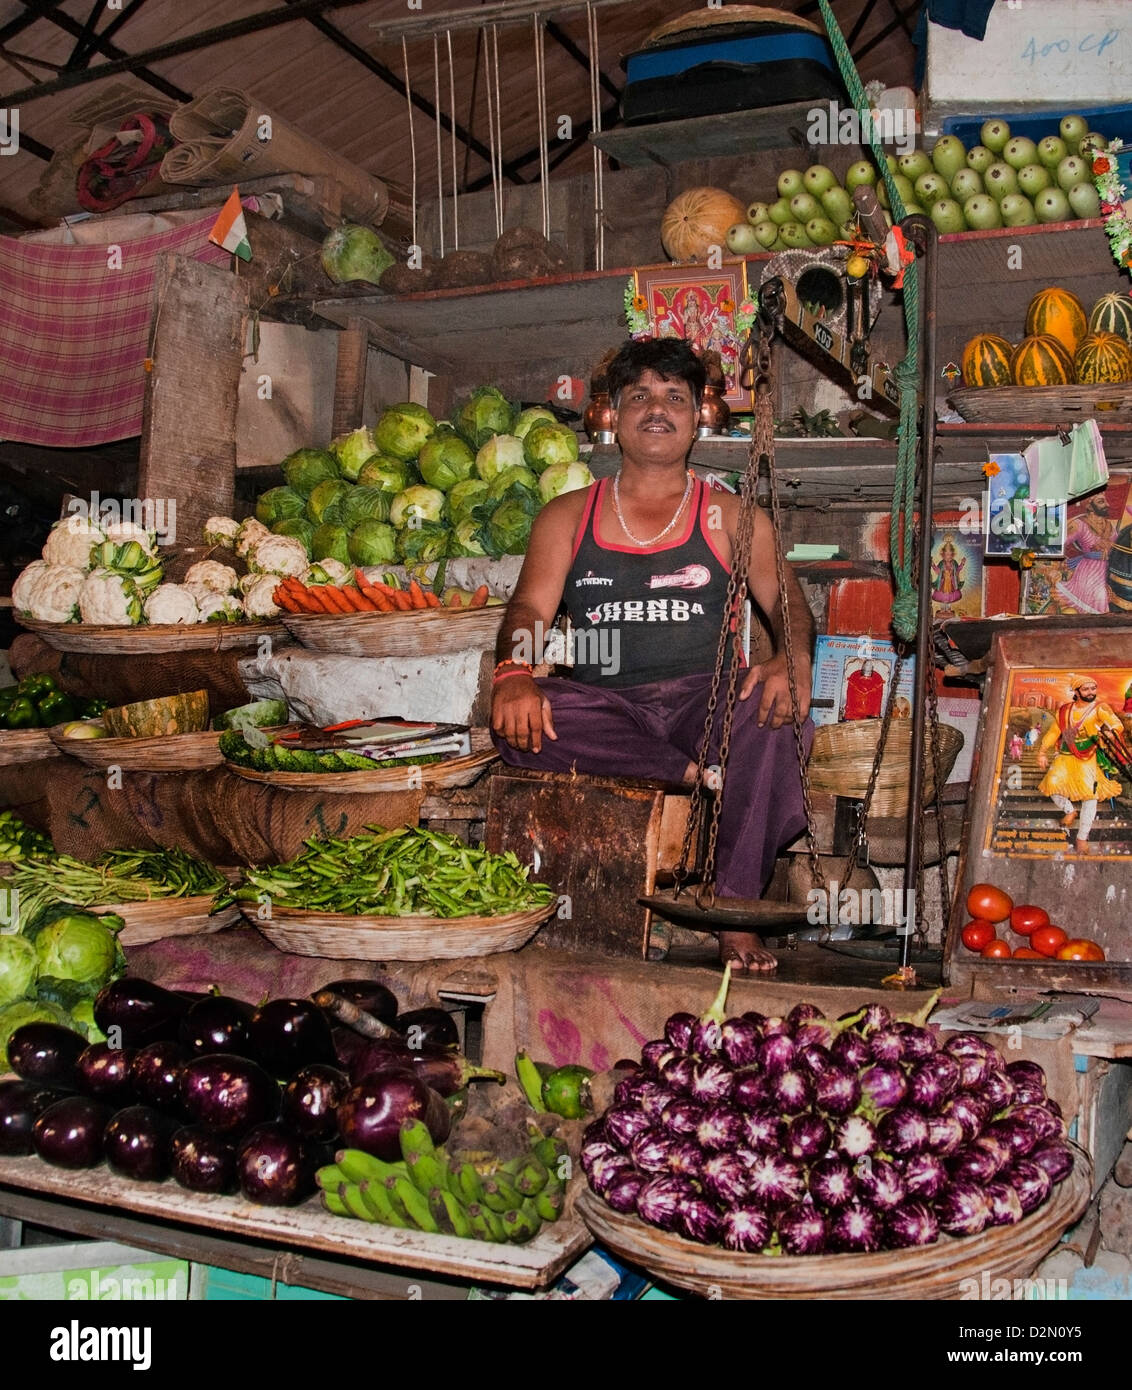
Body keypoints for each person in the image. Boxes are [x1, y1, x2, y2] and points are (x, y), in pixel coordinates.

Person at [490, 337, 814, 972]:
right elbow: (528, 611)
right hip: (606, 705)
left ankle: (734, 912)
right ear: (614, 415)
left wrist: (793, 661)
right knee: (522, 721)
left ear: (698, 418)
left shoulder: (729, 516)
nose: (657, 409)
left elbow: (790, 607)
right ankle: (691, 773)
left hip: (705, 696)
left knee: (774, 719)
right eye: (640, 395)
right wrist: (513, 673)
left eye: (675, 397)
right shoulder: (567, 515)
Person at [1037, 673, 1124, 854]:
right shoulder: (1064, 710)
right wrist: (1042, 752)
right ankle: (1069, 811)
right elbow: (1054, 732)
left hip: (1088, 757)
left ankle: (1082, 838)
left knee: (1089, 797)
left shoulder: (1099, 708)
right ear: (1076, 691)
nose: (1091, 692)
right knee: (1051, 785)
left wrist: (1111, 732)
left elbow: (1116, 723)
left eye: (1093, 688)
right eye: (1086, 689)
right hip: (1065, 755)